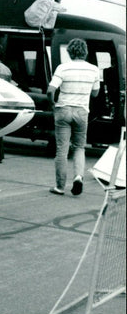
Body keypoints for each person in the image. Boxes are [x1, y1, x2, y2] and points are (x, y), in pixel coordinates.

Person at [46, 38, 100, 196]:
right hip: (82, 111)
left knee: (62, 150)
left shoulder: (63, 68)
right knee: (79, 148)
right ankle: (78, 177)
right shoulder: (94, 69)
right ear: (85, 52)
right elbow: (95, 93)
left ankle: (60, 187)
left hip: (63, 110)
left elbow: (50, 90)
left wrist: (52, 104)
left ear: (69, 52)